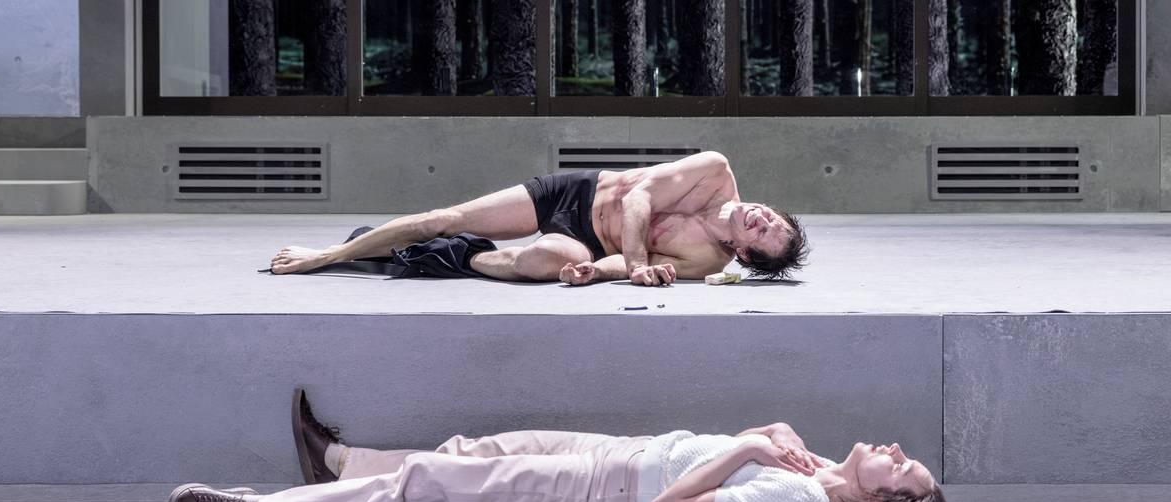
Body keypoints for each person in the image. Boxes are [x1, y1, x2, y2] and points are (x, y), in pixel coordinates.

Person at [168, 390, 959, 502]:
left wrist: (749, 447)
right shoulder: (815, 471)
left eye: (902, 468)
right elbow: (737, 451)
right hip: (619, 451)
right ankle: (334, 463)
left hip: (605, 491)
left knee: (427, 488)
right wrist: (769, 432)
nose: (895, 449)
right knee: (471, 452)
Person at [268, 151, 809, 285]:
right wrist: (639, 264)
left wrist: (594, 272)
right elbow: (639, 197)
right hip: (573, 193)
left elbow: (626, 264)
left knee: (543, 262)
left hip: (592, 245)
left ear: (744, 254)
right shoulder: (715, 170)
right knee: (443, 216)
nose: (761, 216)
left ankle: (458, 257)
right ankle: (330, 255)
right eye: (771, 216)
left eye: (764, 232)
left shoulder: (706, 261)